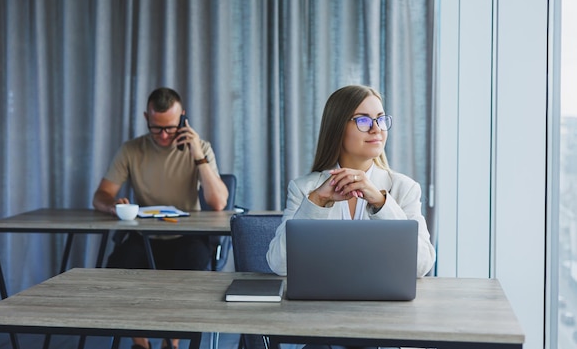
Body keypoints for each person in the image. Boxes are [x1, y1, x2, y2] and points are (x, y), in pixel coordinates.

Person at [92, 87, 228, 349]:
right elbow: (101, 194)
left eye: (170, 127)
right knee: (116, 272)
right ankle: (140, 344)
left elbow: (218, 202)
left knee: (191, 272)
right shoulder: (132, 150)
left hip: (187, 237)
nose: (164, 135)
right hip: (145, 236)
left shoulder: (200, 148)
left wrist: (197, 155)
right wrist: (112, 206)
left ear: (182, 118)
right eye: (157, 128)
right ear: (146, 118)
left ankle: (170, 342)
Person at [267, 85, 436, 279]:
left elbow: (421, 266)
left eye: (380, 119)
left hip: (384, 305)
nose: (376, 129)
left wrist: (382, 204)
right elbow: (280, 265)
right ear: (337, 128)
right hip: (321, 305)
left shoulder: (404, 189)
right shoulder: (304, 189)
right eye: (363, 120)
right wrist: (317, 201)